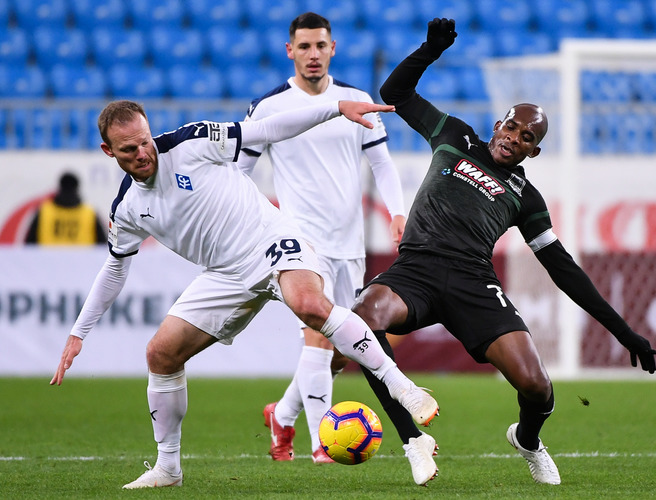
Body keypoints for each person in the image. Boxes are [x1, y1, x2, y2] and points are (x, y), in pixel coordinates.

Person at [49, 99, 439, 489]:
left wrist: (335, 108)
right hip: (223, 274)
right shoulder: (128, 208)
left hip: (269, 240)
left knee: (309, 305)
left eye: (144, 141)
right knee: (160, 354)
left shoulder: (191, 142)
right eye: (128, 149)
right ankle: (168, 468)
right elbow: (115, 267)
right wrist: (78, 332)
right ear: (109, 151)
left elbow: (267, 129)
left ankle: (402, 388)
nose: (142, 153)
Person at [345, 18, 656, 486]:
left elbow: (564, 271)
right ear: (499, 125)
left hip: (474, 283)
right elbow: (396, 92)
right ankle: (413, 438)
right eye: (512, 127)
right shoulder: (455, 136)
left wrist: (624, 332)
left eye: (527, 137)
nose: (515, 137)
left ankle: (528, 440)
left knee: (536, 385)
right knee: (362, 316)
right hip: (417, 270)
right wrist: (430, 50)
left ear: (533, 152)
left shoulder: (526, 198)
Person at [237, 12, 436, 483]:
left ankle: (282, 413)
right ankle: (320, 444)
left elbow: (382, 164)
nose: (313, 54)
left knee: (342, 351)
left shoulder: (357, 100)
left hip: (349, 242)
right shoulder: (268, 108)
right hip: (300, 243)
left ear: (333, 48)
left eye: (320, 45)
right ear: (290, 51)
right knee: (319, 335)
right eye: (304, 46)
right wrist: (256, 226)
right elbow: (239, 174)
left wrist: (397, 212)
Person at [25, 171, 107, 245]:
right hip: (82, 257)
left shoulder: (44, 211)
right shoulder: (89, 213)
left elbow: (29, 246)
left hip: (48, 257)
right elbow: (102, 246)